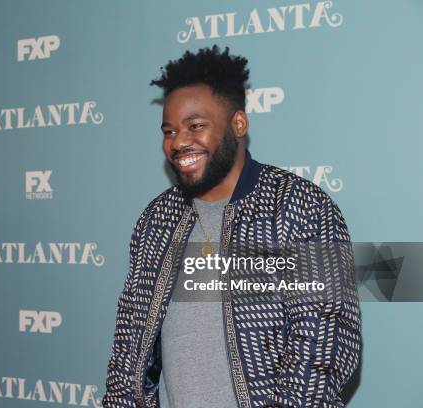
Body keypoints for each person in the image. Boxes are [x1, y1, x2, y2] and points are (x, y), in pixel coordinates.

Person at [102, 45, 361, 407]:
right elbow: (129, 348)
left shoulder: (301, 209)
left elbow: (321, 351)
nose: (178, 142)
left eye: (195, 126)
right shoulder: (156, 220)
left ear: (238, 124)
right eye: (169, 130)